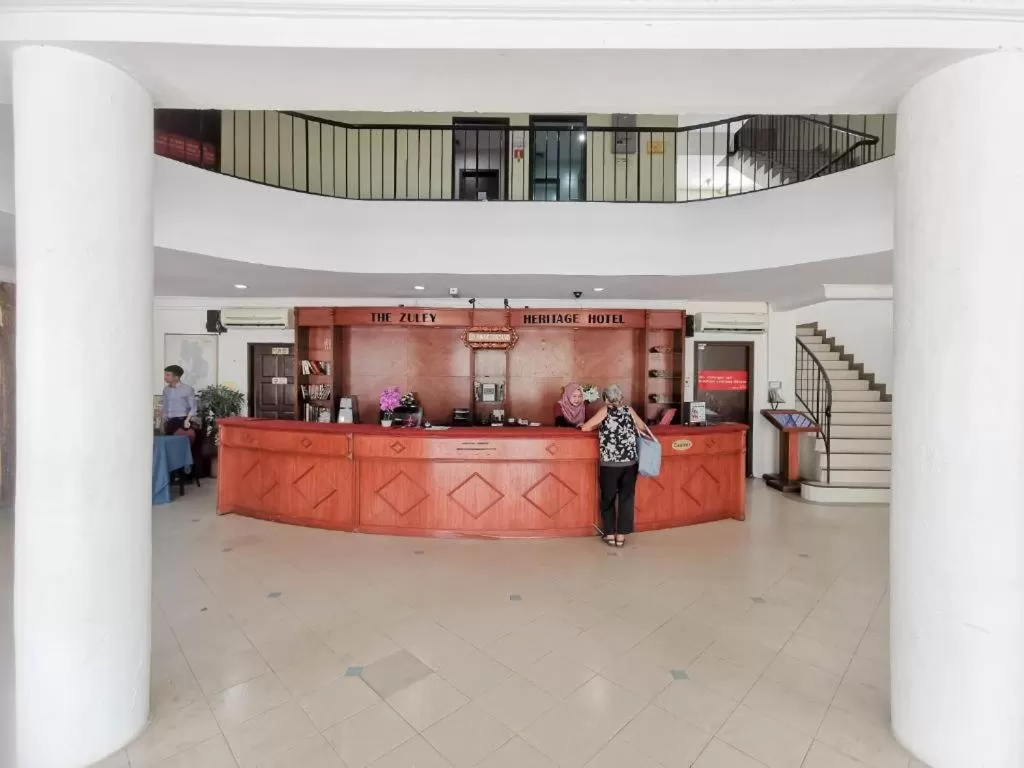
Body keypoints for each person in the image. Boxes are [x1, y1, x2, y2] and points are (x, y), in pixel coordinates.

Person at [580, 384, 654, 547]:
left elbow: (585, 428)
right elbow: (642, 427)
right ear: (621, 398)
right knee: (626, 498)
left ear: (606, 399)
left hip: (610, 465)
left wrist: (599, 426)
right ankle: (621, 536)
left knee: (608, 498)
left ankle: (609, 534)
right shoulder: (629, 410)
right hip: (630, 463)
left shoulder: (605, 410)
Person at [162, 364, 197, 436]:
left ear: (176, 377)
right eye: (165, 374)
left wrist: (187, 420)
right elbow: (165, 406)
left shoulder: (188, 389)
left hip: (182, 421)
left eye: (168, 375)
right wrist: (163, 421)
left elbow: (193, 408)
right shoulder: (166, 389)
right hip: (169, 422)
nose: (165, 377)